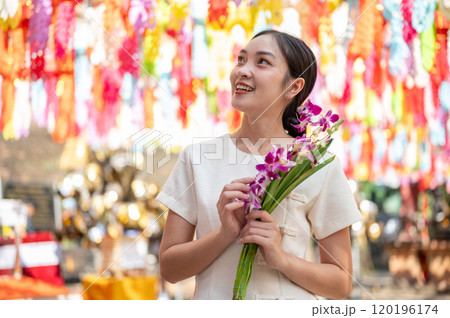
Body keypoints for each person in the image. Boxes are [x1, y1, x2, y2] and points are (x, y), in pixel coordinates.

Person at [156, 29, 362, 300]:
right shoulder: (198, 158)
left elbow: (340, 284)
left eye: (261, 62)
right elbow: (170, 269)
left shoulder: (315, 163)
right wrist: (224, 234)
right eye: (241, 60)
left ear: (293, 87)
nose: (242, 70)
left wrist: (281, 258)